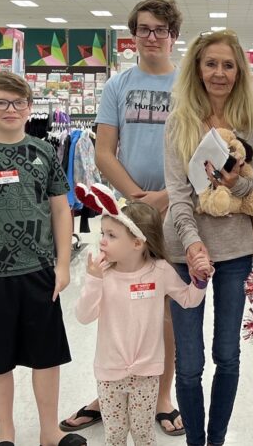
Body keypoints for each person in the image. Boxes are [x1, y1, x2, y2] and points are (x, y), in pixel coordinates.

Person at [60, 0, 186, 436]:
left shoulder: (188, 85)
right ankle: (106, 391)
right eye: (144, 29)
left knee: (164, 306)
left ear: (174, 36)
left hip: (175, 208)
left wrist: (166, 197)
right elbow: (104, 151)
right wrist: (135, 198)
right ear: (133, 36)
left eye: (160, 30)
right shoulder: (118, 86)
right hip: (124, 213)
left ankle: (161, 395)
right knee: (113, 300)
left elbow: (198, 154)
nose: (152, 38)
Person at [0, 72, 86, 446]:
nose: (11, 109)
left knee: (46, 356)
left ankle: (49, 432)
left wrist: (62, 265)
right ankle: (5, 432)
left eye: (18, 102)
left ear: (29, 107)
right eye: (2, 102)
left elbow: (60, 210)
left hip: (38, 271)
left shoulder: (43, 151)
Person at [163, 30, 253, 446]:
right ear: (197, 68)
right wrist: (192, 245)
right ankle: (196, 441)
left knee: (227, 355)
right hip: (182, 252)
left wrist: (237, 186)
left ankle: (217, 440)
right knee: (188, 362)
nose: (220, 72)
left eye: (228, 64)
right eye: (211, 63)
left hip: (235, 252)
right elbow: (177, 193)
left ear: (240, 71)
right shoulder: (179, 121)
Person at [73, 184, 213, 446]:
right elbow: (83, 315)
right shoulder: (103, 274)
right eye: (103, 233)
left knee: (143, 435)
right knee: (114, 436)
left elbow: (188, 300)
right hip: (109, 372)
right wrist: (93, 281)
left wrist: (200, 280)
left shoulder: (159, 271)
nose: (102, 240)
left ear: (137, 242)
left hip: (147, 374)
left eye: (112, 235)